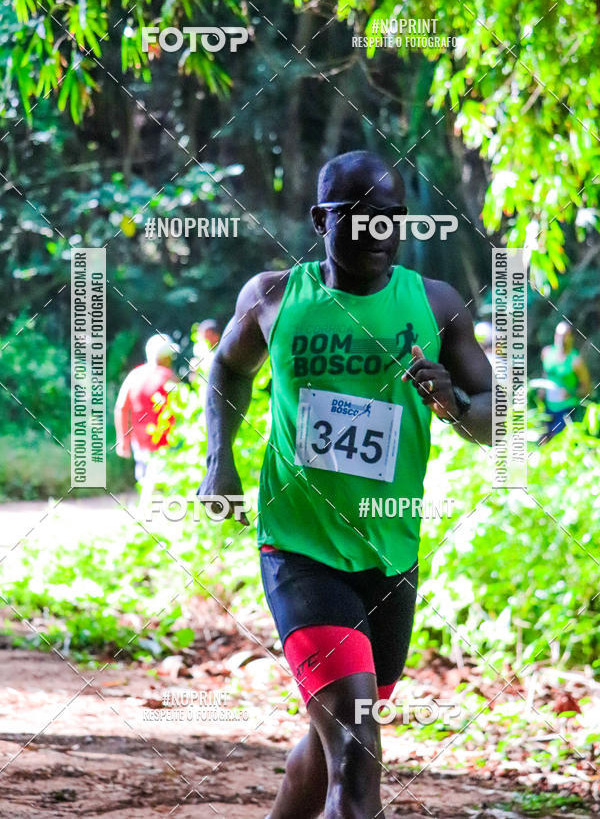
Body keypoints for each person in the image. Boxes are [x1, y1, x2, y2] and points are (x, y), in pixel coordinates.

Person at [198, 150, 492, 819]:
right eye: (354, 219)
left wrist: (454, 401)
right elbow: (228, 368)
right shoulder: (274, 298)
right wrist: (221, 458)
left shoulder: (435, 305)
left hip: (389, 555)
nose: (372, 233)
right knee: (357, 764)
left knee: (331, 731)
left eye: (388, 219)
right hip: (299, 549)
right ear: (318, 220)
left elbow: (495, 419)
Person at [114, 333, 179, 503]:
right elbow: (182, 409)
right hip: (167, 443)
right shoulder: (169, 378)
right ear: (165, 357)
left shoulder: (134, 375)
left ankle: (145, 515)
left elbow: (121, 407)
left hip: (140, 442)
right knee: (164, 485)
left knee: (145, 481)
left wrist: (123, 440)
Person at [539, 321, 591, 444]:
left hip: (567, 409)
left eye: (565, 335)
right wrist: (542, 389)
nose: (561, 339)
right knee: (543, 441)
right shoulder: (547, 353)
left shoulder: (576, 361)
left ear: (571, 337)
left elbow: (587, 390)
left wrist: (571, 393)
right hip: (548, 406)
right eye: (558, 335)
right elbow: (546, 373)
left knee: (558, 442)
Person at [188, 319, 221, 385]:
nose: (204, 338)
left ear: (216, 336)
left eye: (207, 335)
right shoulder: (200, 351)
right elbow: (192, 379)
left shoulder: (222, 352)